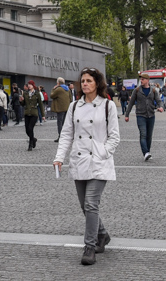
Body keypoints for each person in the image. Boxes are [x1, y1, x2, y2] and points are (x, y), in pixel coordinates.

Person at [54, 67, 120, 266]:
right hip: (79, 160)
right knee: (85, 206)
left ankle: (89, 247)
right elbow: (66, 134)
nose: (85, 84)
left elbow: (114, 136)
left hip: (99, 162)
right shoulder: (74, 106)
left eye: (89, 80)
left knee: (91, 203)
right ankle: (102, 234)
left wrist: (102, 152)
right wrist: (59, 157)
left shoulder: (108, 106)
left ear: (97, 83)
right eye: (83, 80)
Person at [125, 73, 163, 161]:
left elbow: (159, 101)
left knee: (149, 136)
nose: (141, 81)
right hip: (140, 115)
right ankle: (145, 152)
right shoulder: (137, 90)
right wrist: (127, 115)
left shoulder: (153, 90)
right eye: (140, 79)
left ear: (147, 80)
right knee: (143, 134)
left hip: (151, 115)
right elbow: (130, 103)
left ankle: (147, 152)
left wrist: (161, 107)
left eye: (143, 79)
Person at [21, 81, 40, 151]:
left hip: (34, 113)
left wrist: (43, 115)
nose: (29, 86)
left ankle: (30, 144)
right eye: (28, 84)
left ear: (33, 85)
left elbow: (40, 104)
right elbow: (23, 104)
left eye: (30, 84)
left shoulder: (37, 93)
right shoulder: (25, 93)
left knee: (30, 128)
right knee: (27, 130)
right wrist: (21, 101)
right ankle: (33, 139)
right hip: (27, 113)